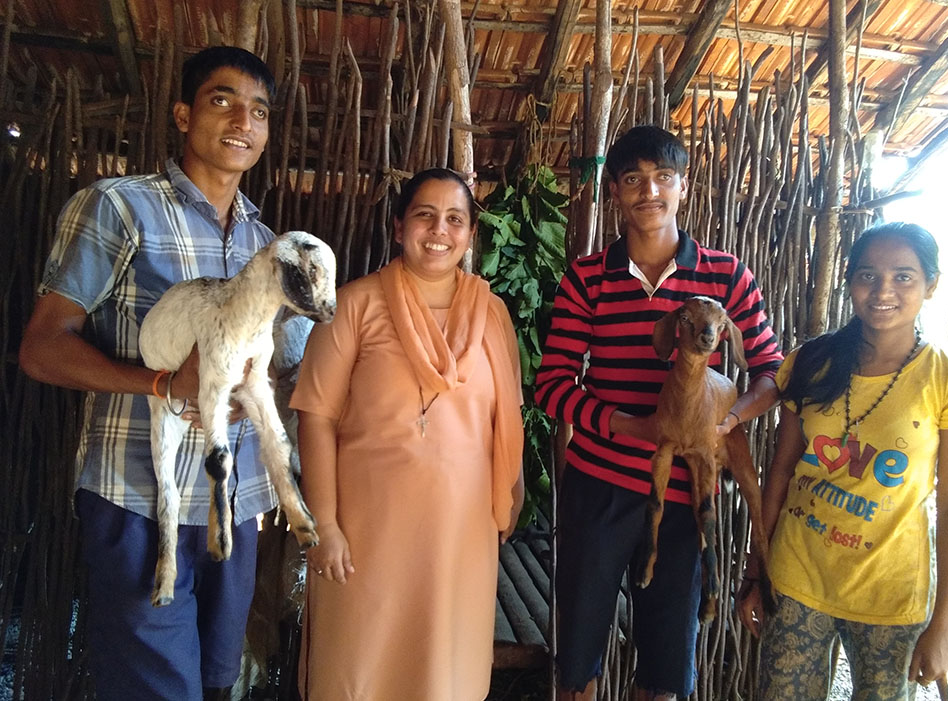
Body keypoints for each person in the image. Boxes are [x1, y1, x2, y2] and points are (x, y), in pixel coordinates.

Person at [18, 46, 279, 700]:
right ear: (184, 113)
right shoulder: (117, 207)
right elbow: (43, 348)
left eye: (260, 110)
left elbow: (279, 363)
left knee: (218, 682)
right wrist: (163, 383)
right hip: (139, 499)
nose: (243, 120)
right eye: (223, 100)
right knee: (154, 689)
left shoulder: (263, 243)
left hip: (233, 503)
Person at [535, 124, 785, 701]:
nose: (650, 192)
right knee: (576, 665)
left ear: (683, 186)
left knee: (667, 671)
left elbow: (771, 372)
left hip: (683, 502)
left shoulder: (726, 276)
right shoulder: (587, 277)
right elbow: (551, 386)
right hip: (598, 488)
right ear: (615, 194)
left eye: (663, 178)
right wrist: (629, 426)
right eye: (633, 180)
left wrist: (726, 421)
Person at [290, 167, 525, 700]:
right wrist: (323, 524)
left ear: (469, 234)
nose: (439, 230)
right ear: (399, 227)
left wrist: (513, 493)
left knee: (443, 665)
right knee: (359, 659)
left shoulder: (493, 315)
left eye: (455, 219)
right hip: (367, 529)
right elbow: (316, 416)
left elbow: (506, 414)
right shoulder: (355, 305)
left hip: (461, 531)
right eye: (425, 215)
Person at [737, 222, 948, 700]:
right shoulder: (812, 362)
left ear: (930, 285)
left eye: (903, 277)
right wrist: (757, 571)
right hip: (797, 579)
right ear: (849, 280)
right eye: (868, 276)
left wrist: (945, 624)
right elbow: (783, 472)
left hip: (891, 594)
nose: (883, 291)